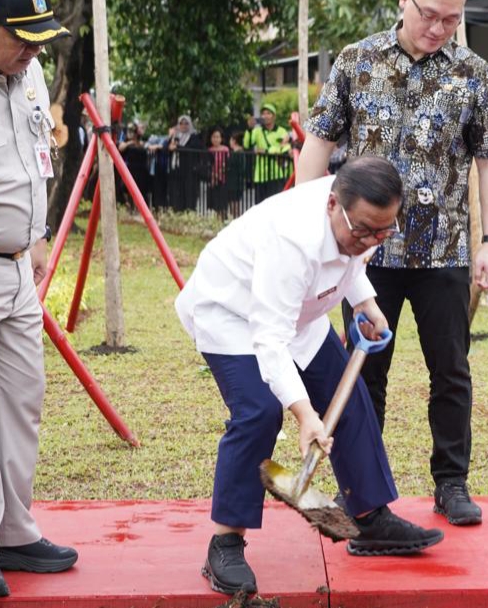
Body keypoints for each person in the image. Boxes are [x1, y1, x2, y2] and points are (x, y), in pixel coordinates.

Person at [296, 0, 488, 526]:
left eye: (452, 20)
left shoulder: (474, 74)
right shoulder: (355, 62)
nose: (438, 28)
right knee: (364, 372)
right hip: (365, 258)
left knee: (451, 369)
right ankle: (360, 485)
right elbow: (317, 146)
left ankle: (452, 483)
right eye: (429, 15)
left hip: (444, 251)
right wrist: (306, 224)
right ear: (403, 0)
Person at [174, 156, 443, 596]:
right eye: (365, 230)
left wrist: (365, 302)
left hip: (297, 308)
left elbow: (349, 258)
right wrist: (304, 414)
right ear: (332, 204)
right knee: (259, 412)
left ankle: (369, 517)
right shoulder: (291, 242)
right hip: (231, 311)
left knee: (347, 394)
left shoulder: (365, 215)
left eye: (385, 230)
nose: (373, 239)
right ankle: (225, 542)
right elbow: (270, 340)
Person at [0, 0, 78, 599]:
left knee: (20, 401)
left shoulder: (26, 73)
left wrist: (35, 235)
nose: (34, 52)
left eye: (40, 38)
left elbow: (35, 161)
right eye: (22, 38)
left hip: (16, 270)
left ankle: (14, 530)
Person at [246, 106, 292, 202]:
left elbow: (284, 148)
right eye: (263, 113)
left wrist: (267, 151)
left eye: (268, 113)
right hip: (260, 175)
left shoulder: (281, 131)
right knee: (260, 206)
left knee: (276, 205)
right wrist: (249, 129)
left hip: (276, 174)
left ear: (274, 116)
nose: (265, 116)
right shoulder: (257, 131)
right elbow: (247, 145)